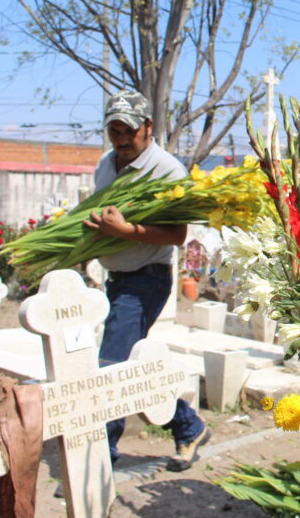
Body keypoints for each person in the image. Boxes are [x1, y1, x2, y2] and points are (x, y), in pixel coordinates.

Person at [83, 89, 209, 472]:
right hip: (116, 278)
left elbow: (175, 234)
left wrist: (124, 231)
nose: (121, 139)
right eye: (114, 131)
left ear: (148, 127)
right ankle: (187, 424)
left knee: (112, 366)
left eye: (128, 131)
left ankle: (100, 459)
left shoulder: (167, 170)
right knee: (129, 368)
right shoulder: (107, 164)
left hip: (147, 279)